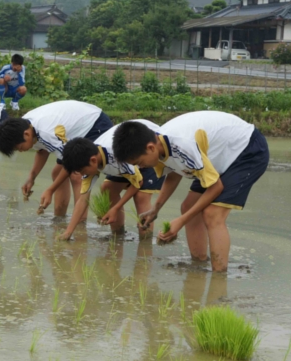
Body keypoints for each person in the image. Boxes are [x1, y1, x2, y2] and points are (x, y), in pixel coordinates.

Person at [112, 111, 269, 273]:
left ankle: (219, 277)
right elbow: (174, 174)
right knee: (188, 206)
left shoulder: (182, 144)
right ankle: (199, 264)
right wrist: (155, 209)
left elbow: (216, 187)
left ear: (150, 148)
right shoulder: (160, 144)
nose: (140, 168)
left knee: (212, 214)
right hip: (217, 156)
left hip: (246, 150)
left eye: (139, 162)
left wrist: (180, 222)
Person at [0, 100, 113, 216]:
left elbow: (69, 163)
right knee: (57, 173)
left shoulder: (46, 132)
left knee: (76, 174)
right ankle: (59, 218)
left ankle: (80, 224)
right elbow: (42, 151)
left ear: (26, 134)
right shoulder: (25, 127)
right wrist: (31, 177)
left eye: (20, 147)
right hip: (74, 131)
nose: (21, 151)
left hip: (93, 124)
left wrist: (50, 190)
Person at [58, 119, 164, 241]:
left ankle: (145, 243)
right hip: (126, 157)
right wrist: (68, 232)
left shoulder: (115, 157)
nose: (82, 175)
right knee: (108, 189)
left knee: (141, 196)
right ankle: (118, 236)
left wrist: (115, 208)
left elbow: (138, 182)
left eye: (82, 171)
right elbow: (82, 200)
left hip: (144, 151)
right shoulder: (91, 157)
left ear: (93, 161)